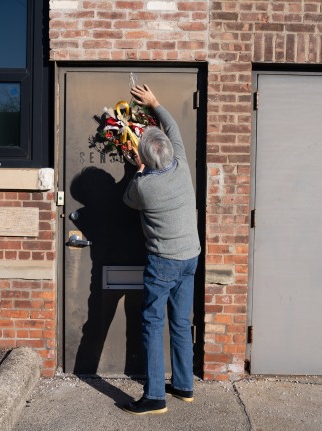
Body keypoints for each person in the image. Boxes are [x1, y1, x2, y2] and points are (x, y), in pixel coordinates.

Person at [122, 85, 200, 415]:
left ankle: (155, 396)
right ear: (167, 151)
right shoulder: (181, 165)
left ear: (147, 158)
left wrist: (138, 169)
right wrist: (154, 103)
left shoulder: (144, 186)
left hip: (164, 261)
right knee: (181, 321)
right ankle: (183, 386)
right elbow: (173, 129)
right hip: (190, 256)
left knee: (152, 323)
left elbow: (127, 200)